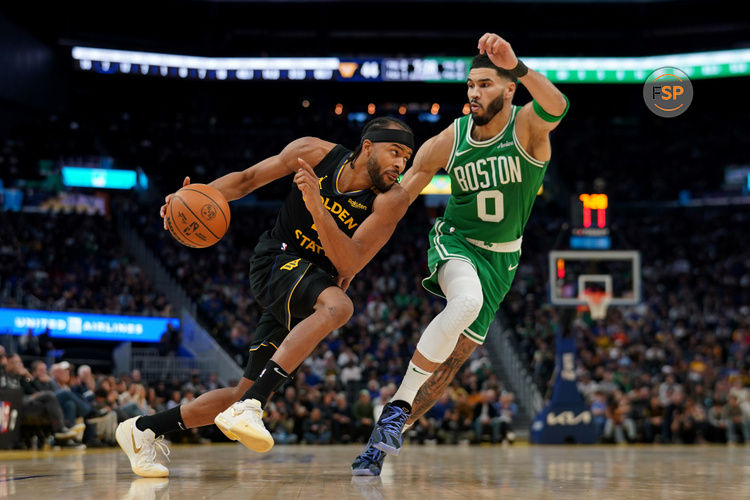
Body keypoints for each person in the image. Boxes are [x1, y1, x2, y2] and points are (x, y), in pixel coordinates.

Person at [116, 116, 414, 477]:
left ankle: (143, 429)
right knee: (339, 306)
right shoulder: (313, 154)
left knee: (239, 394)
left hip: (312, 283)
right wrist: (192, 199)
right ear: (367, 146)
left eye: (407, 157)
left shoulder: (392, 200)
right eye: (394, 152)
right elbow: (246, 180)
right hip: (277, 259)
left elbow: (349, 261)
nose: (401, 164)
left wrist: (317, 206)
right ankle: (254, 404)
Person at [352, 32, 568, 475]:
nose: (474, 92)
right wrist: (353, 249)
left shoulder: (526, 125)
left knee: (448, 369)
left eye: (485, 84)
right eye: (470, 84)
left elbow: (558, 106)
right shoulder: (449, 140)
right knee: (465, 302)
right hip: (456, 243)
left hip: (502, 262)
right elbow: (399, 199)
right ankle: (394, 411)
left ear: (510, 89)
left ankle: (384, 440)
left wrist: (519, 65)